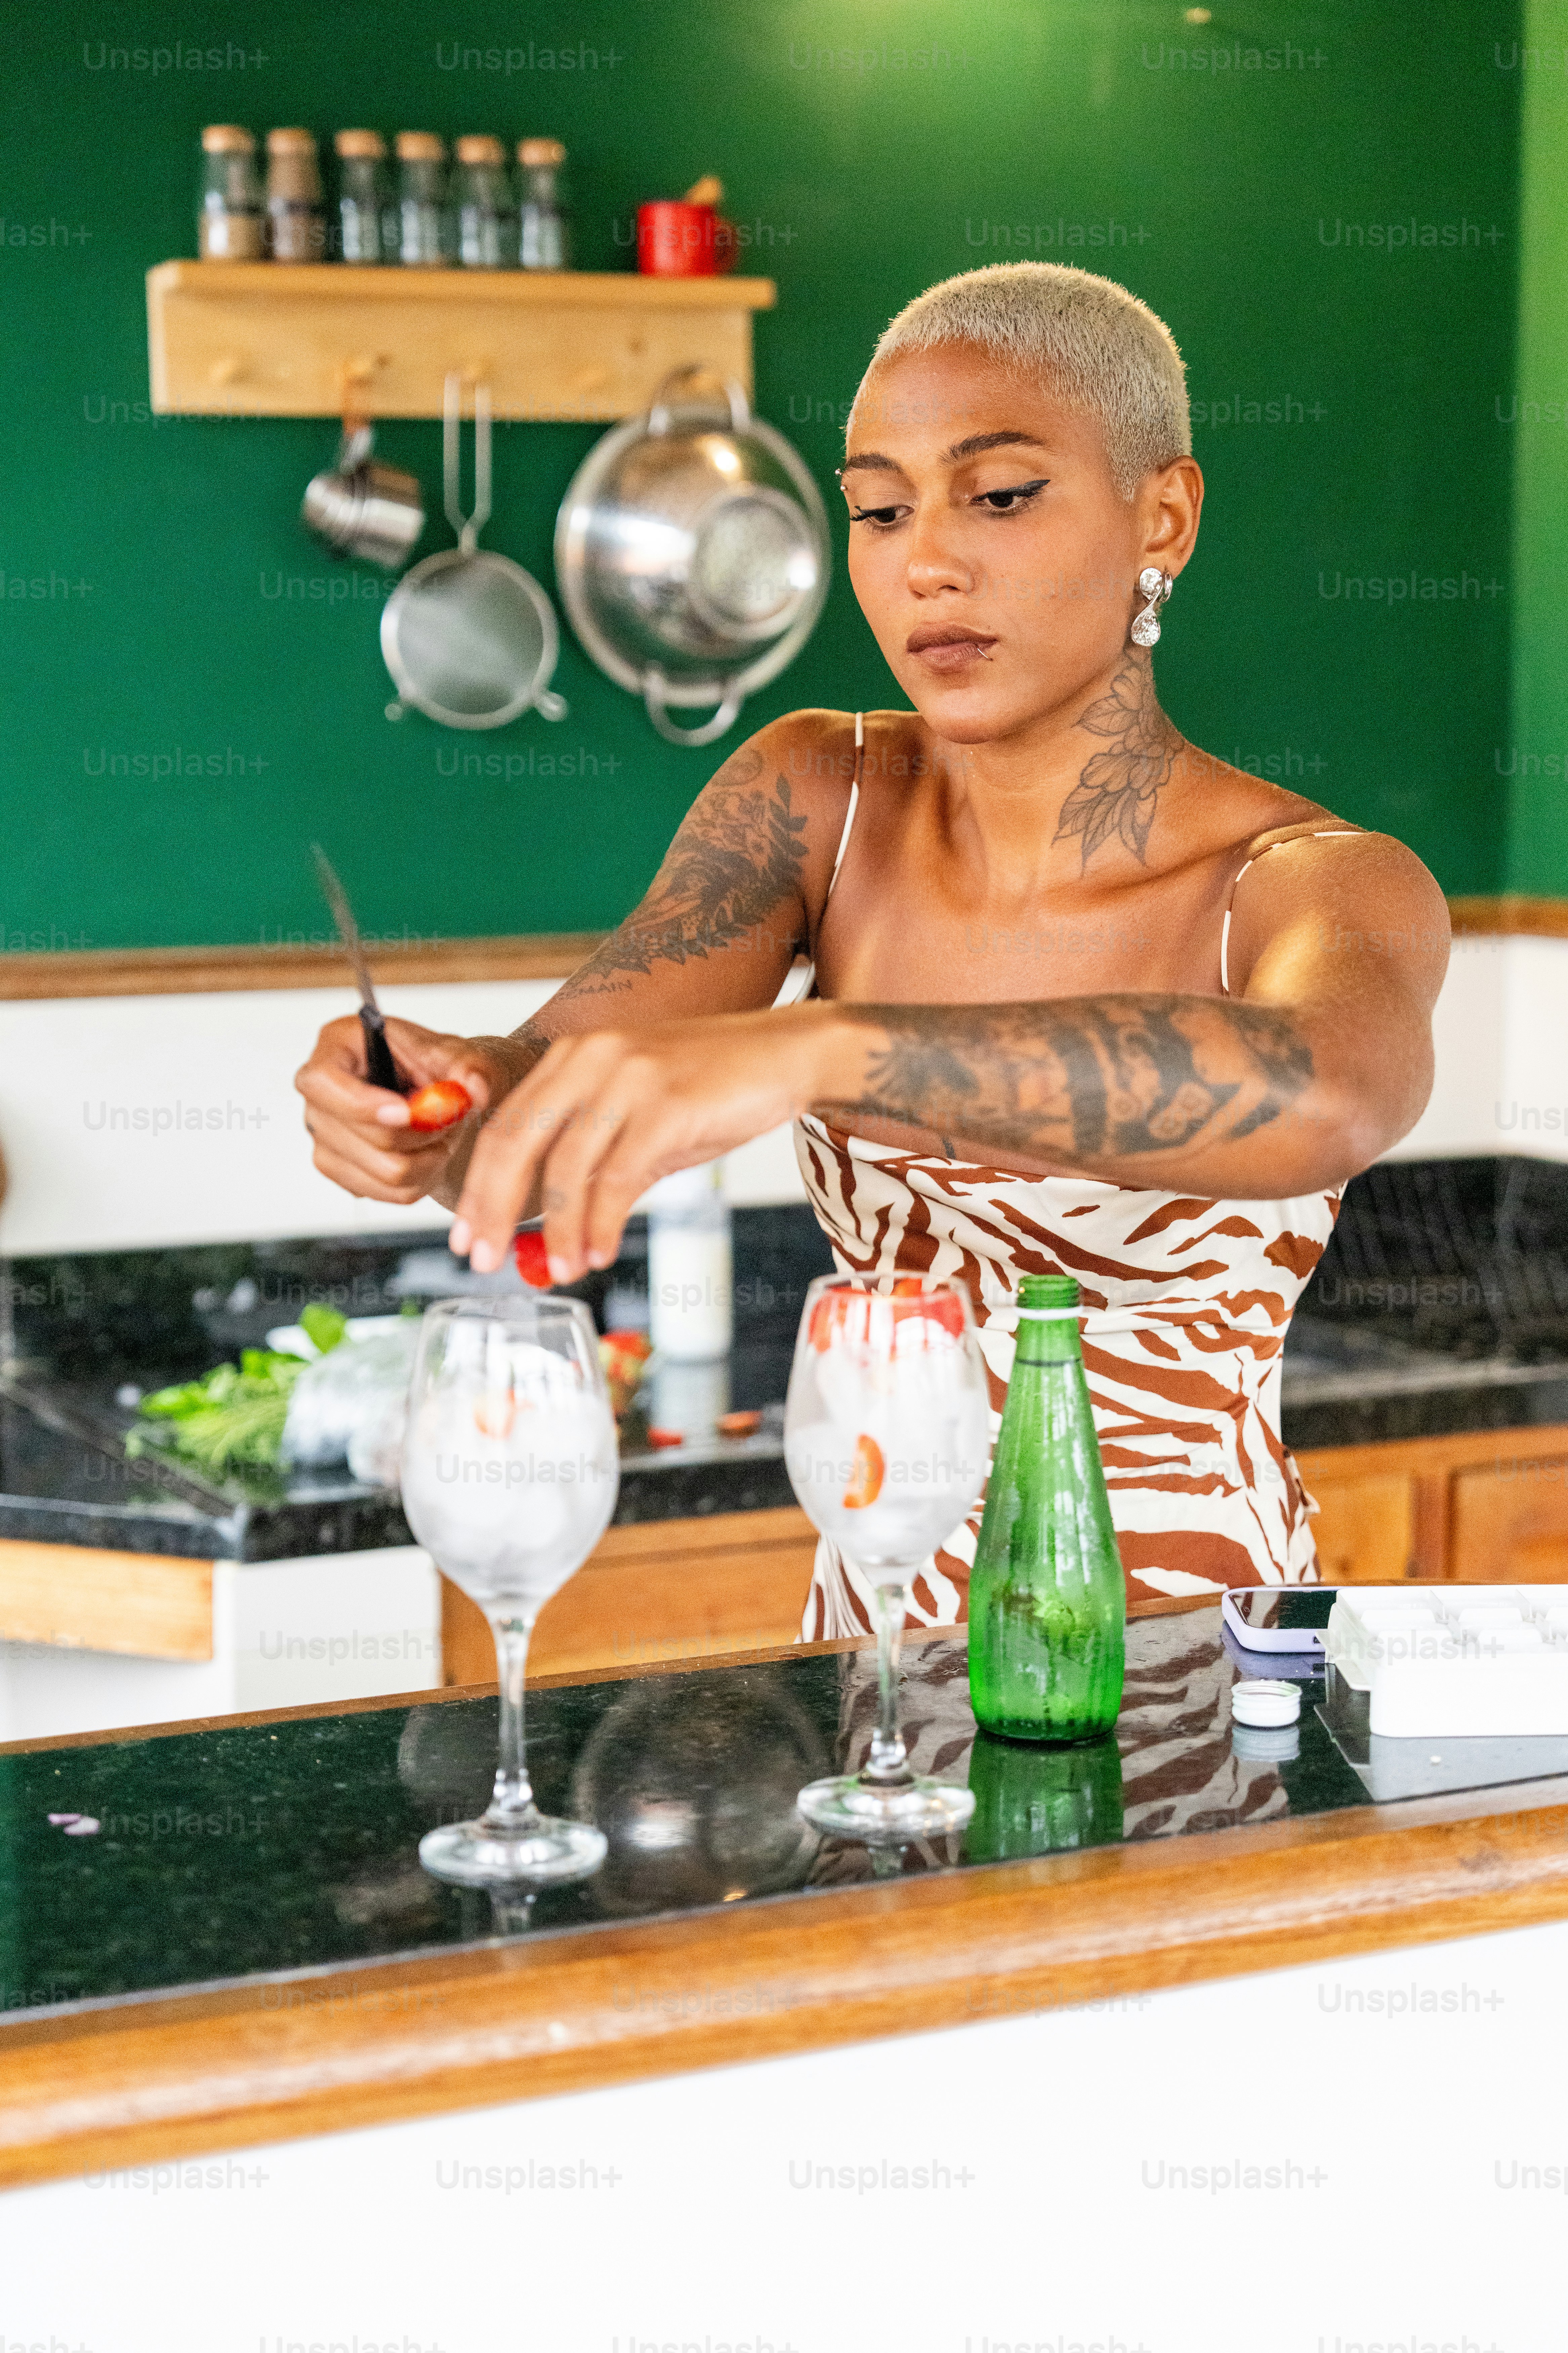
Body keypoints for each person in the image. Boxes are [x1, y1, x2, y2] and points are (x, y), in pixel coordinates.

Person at [296, 261, 1448, 1630]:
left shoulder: (1314, 881)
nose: (926, 562)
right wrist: (437, 1108)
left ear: (1165, 516)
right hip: (877, 1651)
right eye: (879, 510)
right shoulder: (814, 798)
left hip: (1200, 1676)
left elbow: (1326, 1094)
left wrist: (820, 1050)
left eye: (1001, 495)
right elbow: (525, 1148)